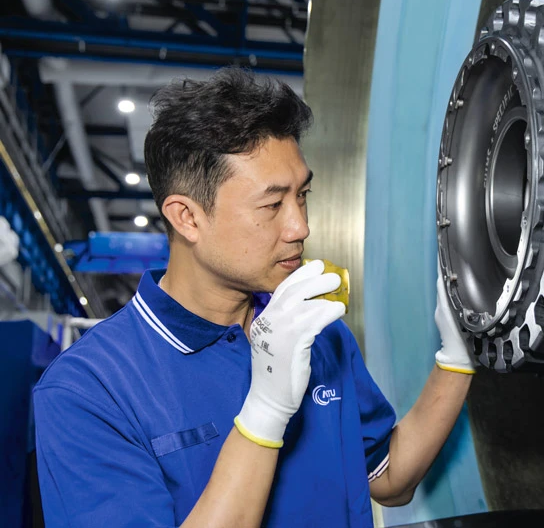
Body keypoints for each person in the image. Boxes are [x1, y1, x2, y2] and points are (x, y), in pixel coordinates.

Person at [33, 68, 476, 528]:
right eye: (272, 204)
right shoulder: (88, 390)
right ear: (187, 217)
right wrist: (265, 413)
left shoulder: (316, 333)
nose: (300, 226)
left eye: (303, 195)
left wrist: (456, 358)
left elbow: (389, 480)